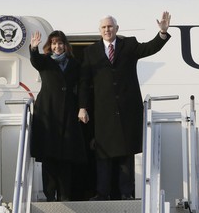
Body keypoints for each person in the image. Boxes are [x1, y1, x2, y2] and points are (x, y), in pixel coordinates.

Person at [78, 11, 171, 200]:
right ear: (99, 31)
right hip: (103, 111)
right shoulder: (90, 52)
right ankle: (102, 193)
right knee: (103, 154)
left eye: (110, 26)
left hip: (127, 109)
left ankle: (126, 193)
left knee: (126, 154)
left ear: (116, 28)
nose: (107, 30)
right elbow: (84, 81)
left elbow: (149, 48)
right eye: (104, 27)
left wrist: (162, 33)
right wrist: (82, 106)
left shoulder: (128, 45)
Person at [29, 30, 87, 201]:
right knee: (49, 156)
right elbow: (35, 60)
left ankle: (64, 195)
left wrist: (82, 107)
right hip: (48, 113)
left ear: (65, 45)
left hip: (68, 113)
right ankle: (50, 195)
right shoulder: (45, 61)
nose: (57, 46)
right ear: (50, 45)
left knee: (66, 157)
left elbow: (82, 86)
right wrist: (33, 47)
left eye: (60, 43)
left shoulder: (75, 64)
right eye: (54, 43)